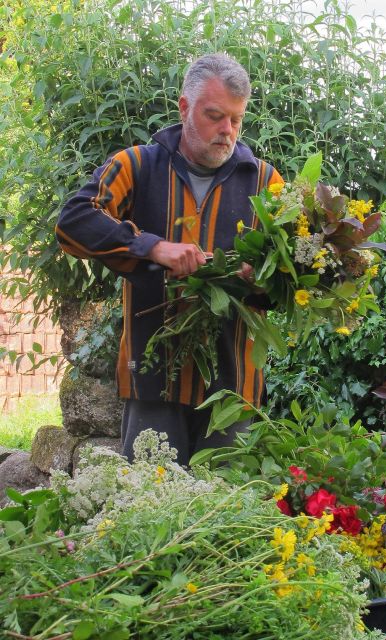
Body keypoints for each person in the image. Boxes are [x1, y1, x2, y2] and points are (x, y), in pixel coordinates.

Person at [56, 53, 283, 465]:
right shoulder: (138, 165)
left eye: (235, 119)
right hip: (153, 379)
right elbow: (74, 221)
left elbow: (287, 282)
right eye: (214, 116)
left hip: (232, 390)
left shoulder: (267, 183)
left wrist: (262, 277)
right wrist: (153, 247)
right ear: (184, 107)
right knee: (149, 513)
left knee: (229, 517)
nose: (226, 131)